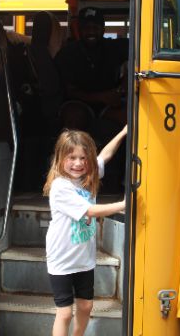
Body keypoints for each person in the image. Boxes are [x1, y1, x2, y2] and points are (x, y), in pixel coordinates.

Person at [43, 125, 127, 336]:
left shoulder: (87, 175)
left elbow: (105, 155)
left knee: (86, 307)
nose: (78, 163)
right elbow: (90, 210)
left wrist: (125, 132)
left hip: (83, 258)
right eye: (72, 157)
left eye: (83, 157)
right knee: (64, 313)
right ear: (60, 158)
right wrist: (124, 204)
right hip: (61, 259)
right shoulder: (61, 187)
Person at [55, 6, 128, 133]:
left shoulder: (114, 47)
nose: (91, 32)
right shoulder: (67, 53)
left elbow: (139, 53)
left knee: (131, 118)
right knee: (73, 117)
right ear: (79, 30)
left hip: (109, 105)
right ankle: (69, 151)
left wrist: (122, 87)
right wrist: (101, 97)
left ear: (103, 29)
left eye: (96, 28)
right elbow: (69, 91)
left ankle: (122, 153)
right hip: (78, 103)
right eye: (86, 28)